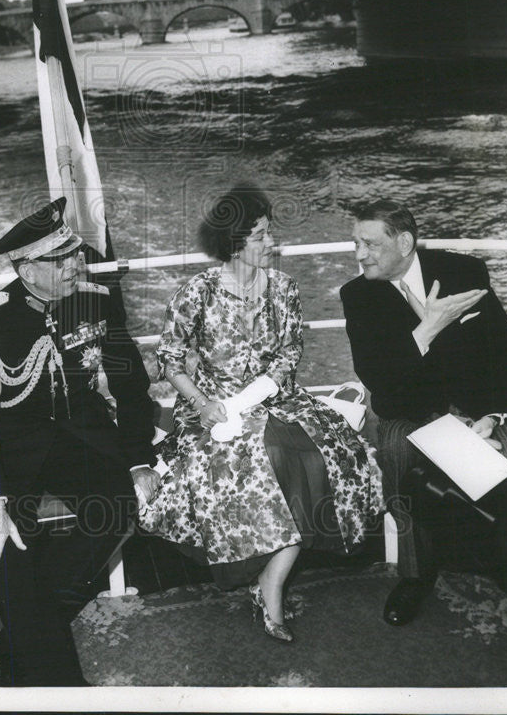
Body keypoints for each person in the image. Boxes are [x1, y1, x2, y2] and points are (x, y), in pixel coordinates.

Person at [138, 185, 384, 642]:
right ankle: (269, 588)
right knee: (265, 461)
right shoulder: (197, 293)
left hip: (278, 399)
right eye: (260, 237)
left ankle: (271, 579)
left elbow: (290, 353)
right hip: (213, 408)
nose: (271, 244)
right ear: (233, 242)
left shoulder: (285, 288)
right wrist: (206, 404)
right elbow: (171, 361)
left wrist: (259, 393)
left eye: (270, 234)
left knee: (323, 459)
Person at [0, 197, 159, 686]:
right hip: (12, 452)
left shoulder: (96, 301)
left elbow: (131, 388)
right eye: (60, 259)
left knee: (115, 509)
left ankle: (21, 640)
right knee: (3, 552)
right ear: (26, 269)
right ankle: (54, 678)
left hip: (80, 441)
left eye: (75, 253)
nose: (75, 265)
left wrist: (137, 461)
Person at [340, 200, 507, 626]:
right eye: (355, 244)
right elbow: (380, 380)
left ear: (404, 242)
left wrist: (491, 417)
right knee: (400, 459)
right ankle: (415, 576)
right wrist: (427, 329)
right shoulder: (358, 296)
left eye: (369, 244)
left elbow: (505, 353)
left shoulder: (464, 272)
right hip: (412, 413)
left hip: (480, 410)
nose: (359, 255)